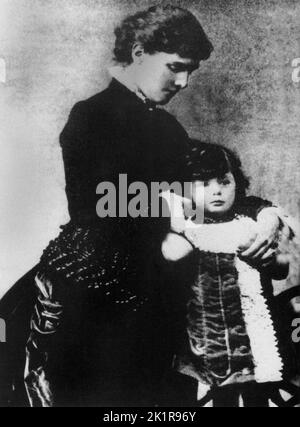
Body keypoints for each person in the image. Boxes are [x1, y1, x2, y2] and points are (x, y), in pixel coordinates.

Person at [0, 6, 282, 407]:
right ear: (138, 53)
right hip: (95, 296)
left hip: (156, 296)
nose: (183, 81)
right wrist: (180, 224)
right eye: (176, 67)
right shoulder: (91, 118)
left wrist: (265, 214)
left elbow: (211, 193)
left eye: (191, 71)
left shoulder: (166, 128)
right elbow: (99, 210)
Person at [161, 143, 300, 407]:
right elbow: (170, 255)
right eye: (203, 183)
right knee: (211, 398)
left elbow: (281, 270)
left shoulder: (249, 222)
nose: (217, 190)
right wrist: (178, 231)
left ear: (237, 183)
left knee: (255, 395)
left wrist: (268, 257)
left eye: (224, 181)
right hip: (206, 340)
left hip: (252, 339)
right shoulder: (190, 228)